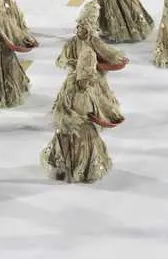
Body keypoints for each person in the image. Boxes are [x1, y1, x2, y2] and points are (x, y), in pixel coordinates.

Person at [42, 44, 115, 183]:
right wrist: (70, 119)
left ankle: (84, 170)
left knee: (88, 146)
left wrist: (103, 117)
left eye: (89, 80)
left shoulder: (91, 87)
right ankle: (65, 169)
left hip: (87, 124)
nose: (87, 83)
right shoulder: (70, 87)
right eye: (85, 81)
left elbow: (96, 105)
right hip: (70, 124)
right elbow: (63, 106)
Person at [55, 1, 127, 125]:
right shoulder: (82, 41)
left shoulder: (85, 40)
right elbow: (62, 60)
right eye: (93, 18)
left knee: (88, 93)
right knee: (88, 94)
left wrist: (75, 65)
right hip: (83, 75)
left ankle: (91, 113)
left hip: (85, 74)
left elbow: (106, 52)